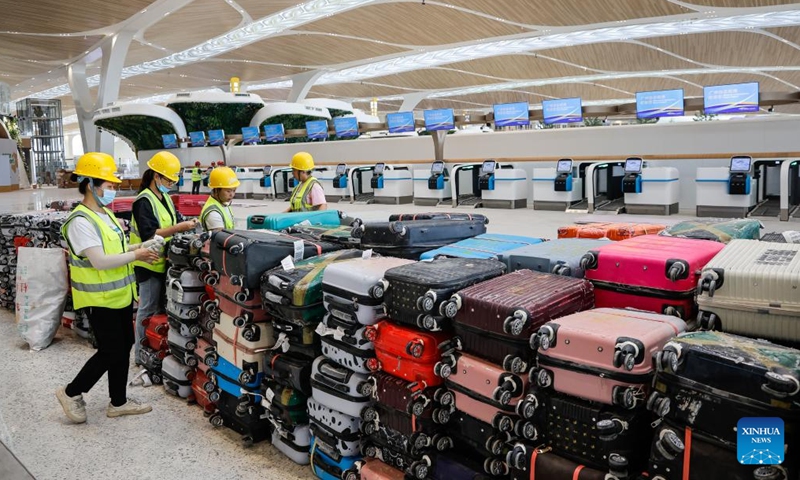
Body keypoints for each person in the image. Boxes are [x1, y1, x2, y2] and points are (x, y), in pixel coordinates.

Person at [56, 152, 161, 422]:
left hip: (120, 295)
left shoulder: (106, 215)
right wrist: (137, 256)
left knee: (124, 343)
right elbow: (100, 261)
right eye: (109, 185)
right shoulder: (81, 221)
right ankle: (71, 392)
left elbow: (118, 249)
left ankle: (118, 401)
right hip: (98, 298)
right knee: (110, 350)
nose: (113, 190)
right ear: (90, 183)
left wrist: (140, 246)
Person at [129, 151, 198, 369]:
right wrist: (179, 228)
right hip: (147, 262)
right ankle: (140, 354)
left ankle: (155, 350)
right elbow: (150, 233)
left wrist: (186, 225)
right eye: (168, 179)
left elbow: (174, 220)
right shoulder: (143, 201)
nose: (170, 183)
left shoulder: (164, 197)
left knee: (159, 310)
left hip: (162, 262)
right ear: (156, 176)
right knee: (147, 309)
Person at [200, 166, 239, 232]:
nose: (232, 195)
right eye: (228, 191)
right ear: (216, 191)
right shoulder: (213, 213)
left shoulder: (224, 203)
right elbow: (221, 238)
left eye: (234, 190)